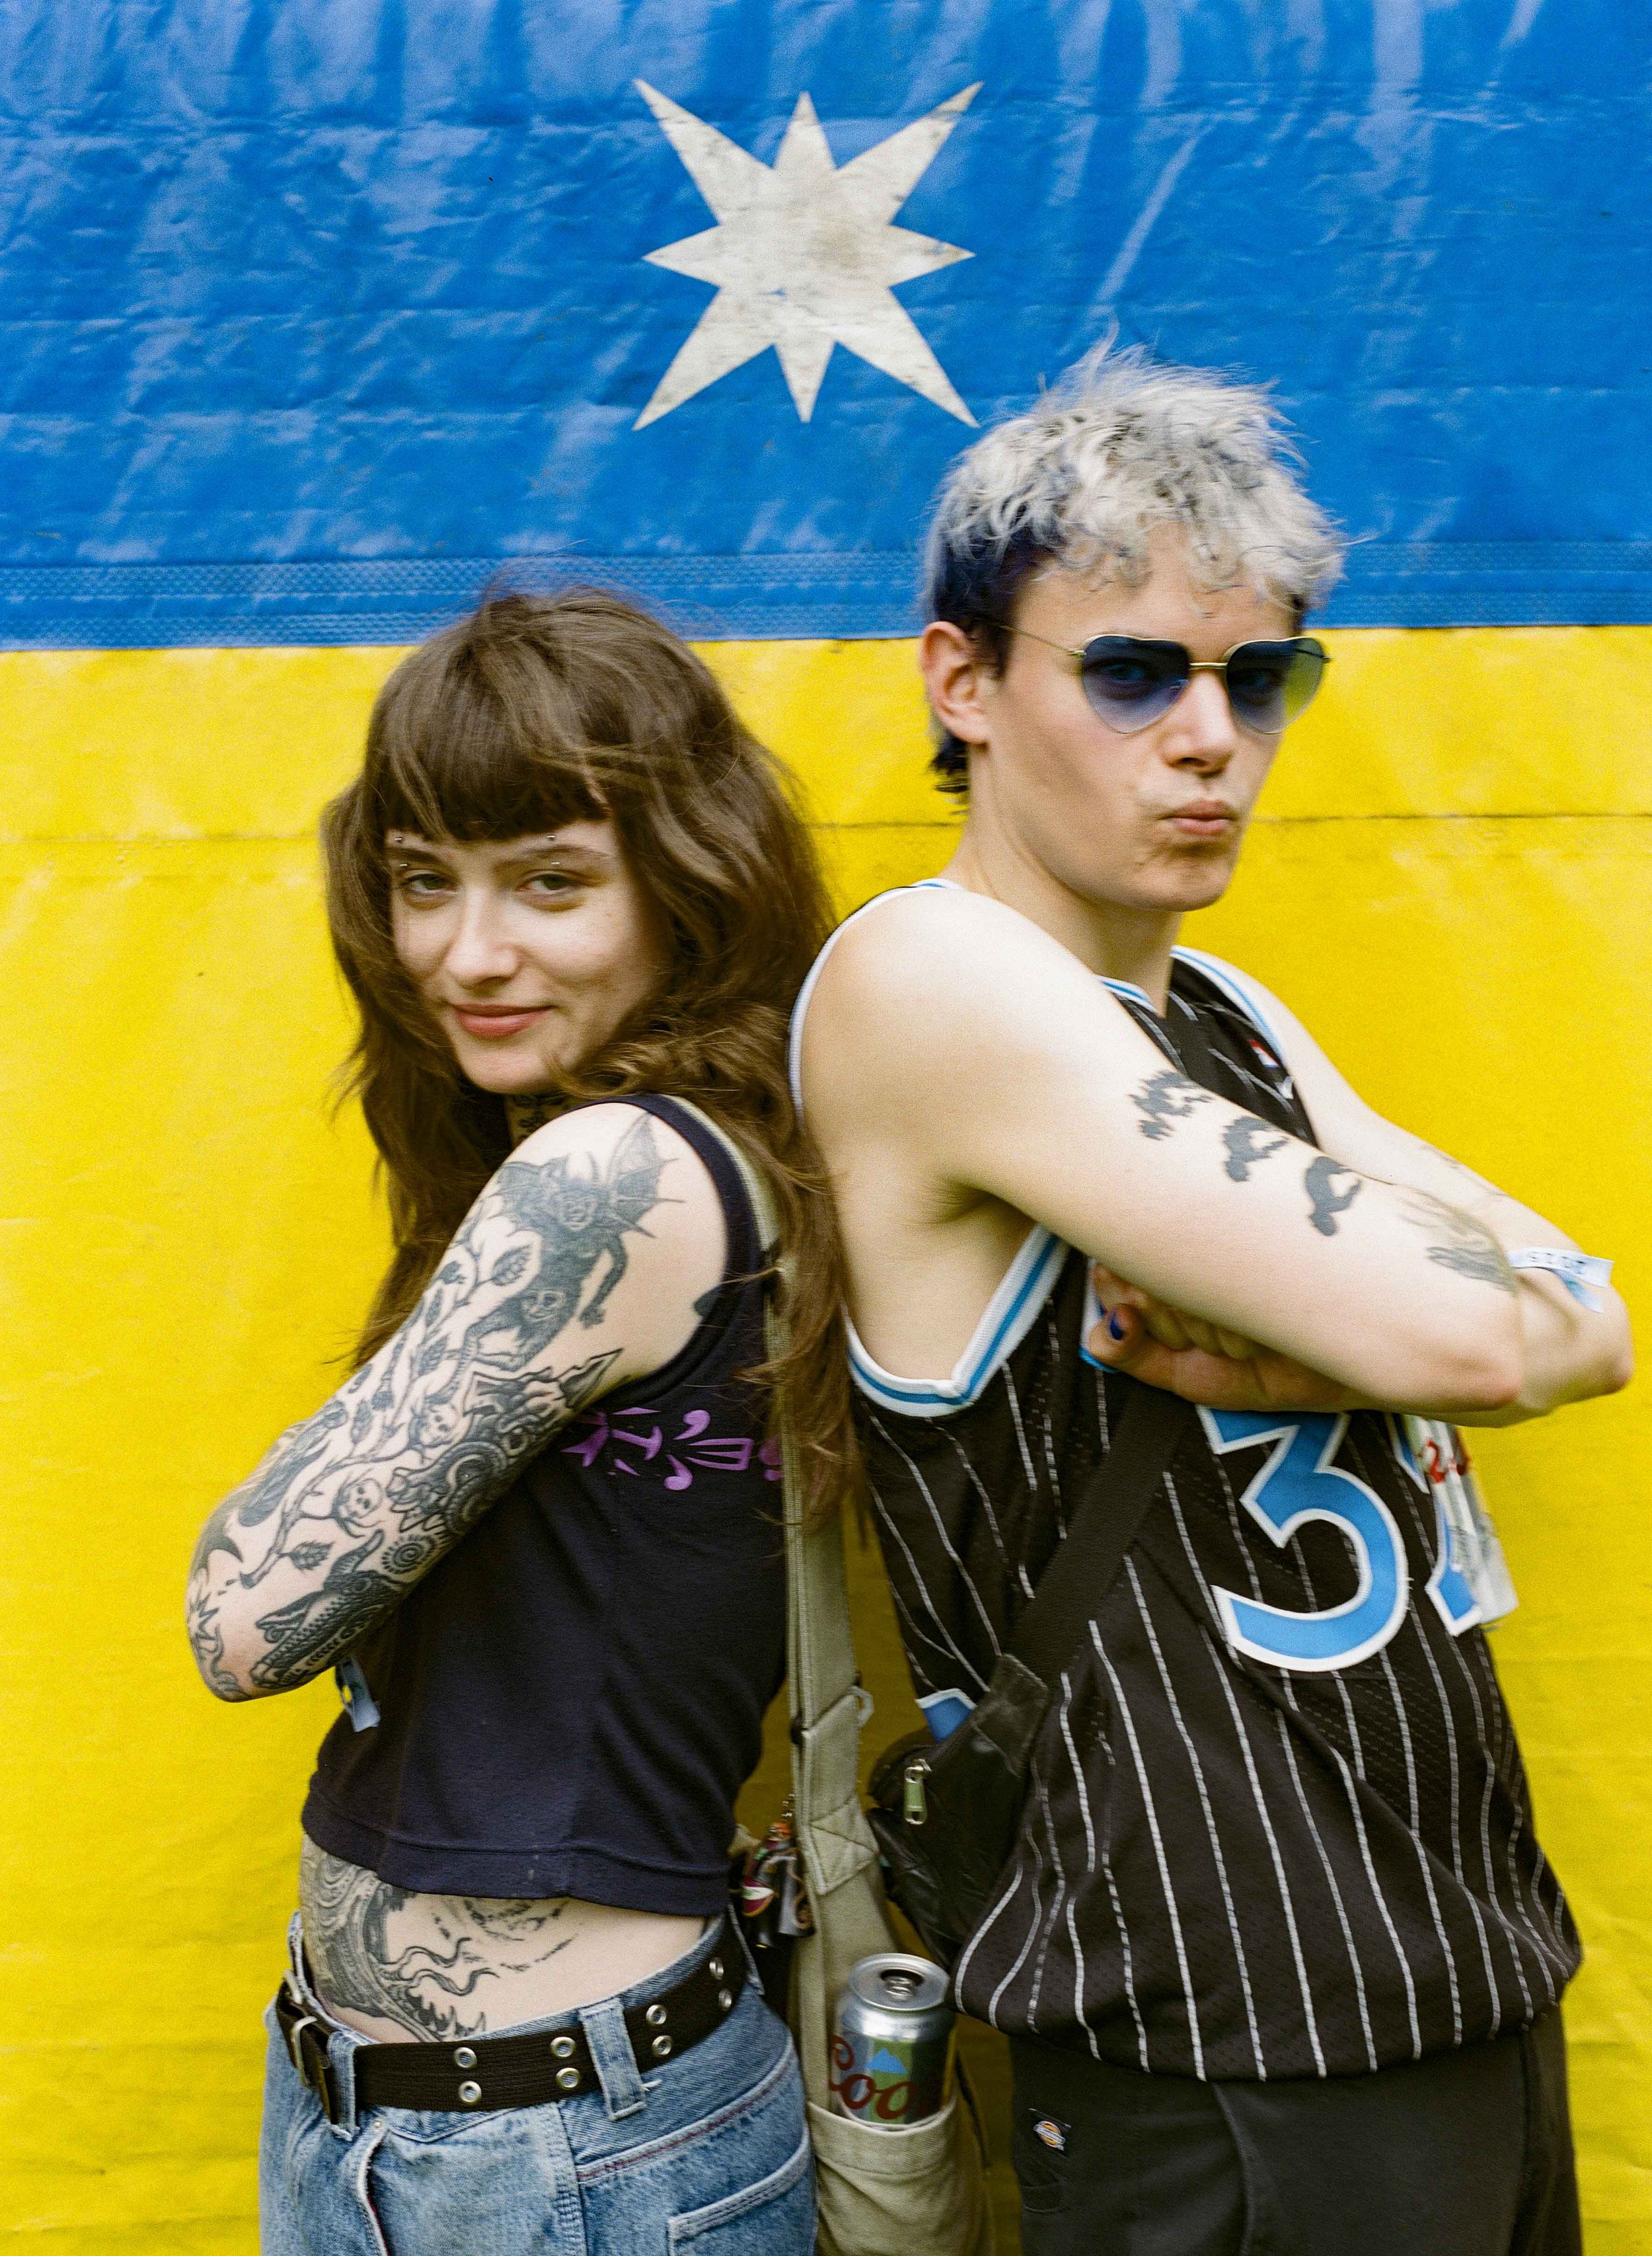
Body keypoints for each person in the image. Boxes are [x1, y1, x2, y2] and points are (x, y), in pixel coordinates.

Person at [792, 354, 1633, 2255]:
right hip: (1215, 2027)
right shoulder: (928, 979)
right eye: (1131, 671)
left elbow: (1591, 1310)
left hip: (1450, 1962)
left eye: (1257, 680)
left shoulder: (1225, 1014)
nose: (1209, 738)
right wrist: (1424, 1317)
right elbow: (1489, 1335)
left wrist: (1356, 1321)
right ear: (960, 682)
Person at [186, 588, 845, 2255]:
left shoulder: (615, 1170)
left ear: (686, 886)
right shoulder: (680, 1151)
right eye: (424, 881)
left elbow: (243, 1617)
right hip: (463, 2130)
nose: (466, 954)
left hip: (561, 2152)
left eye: (550, 880)